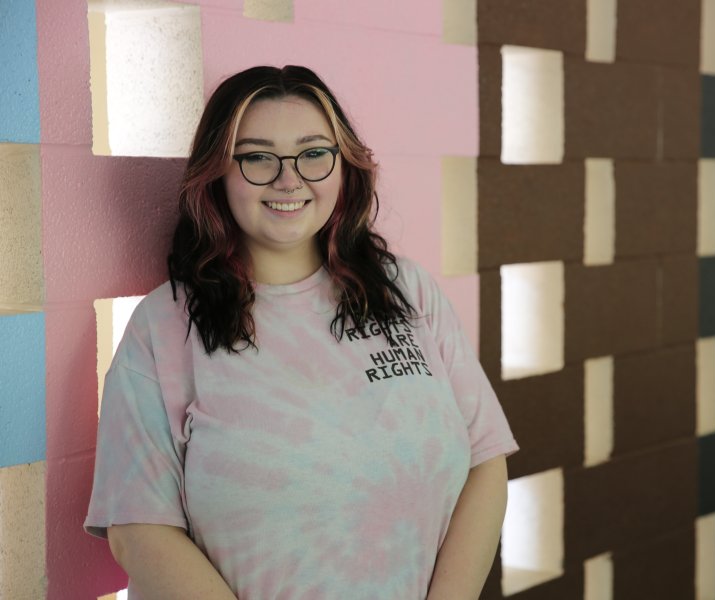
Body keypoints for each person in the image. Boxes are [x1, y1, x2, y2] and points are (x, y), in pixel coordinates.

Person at [84, 65, 519, 600]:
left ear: (344, 166)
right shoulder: (164, 326)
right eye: (257, 157)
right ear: (218, 172)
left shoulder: (406, 290)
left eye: (314, 153)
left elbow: (485, 462)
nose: (289, 180)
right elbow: (139, 531)